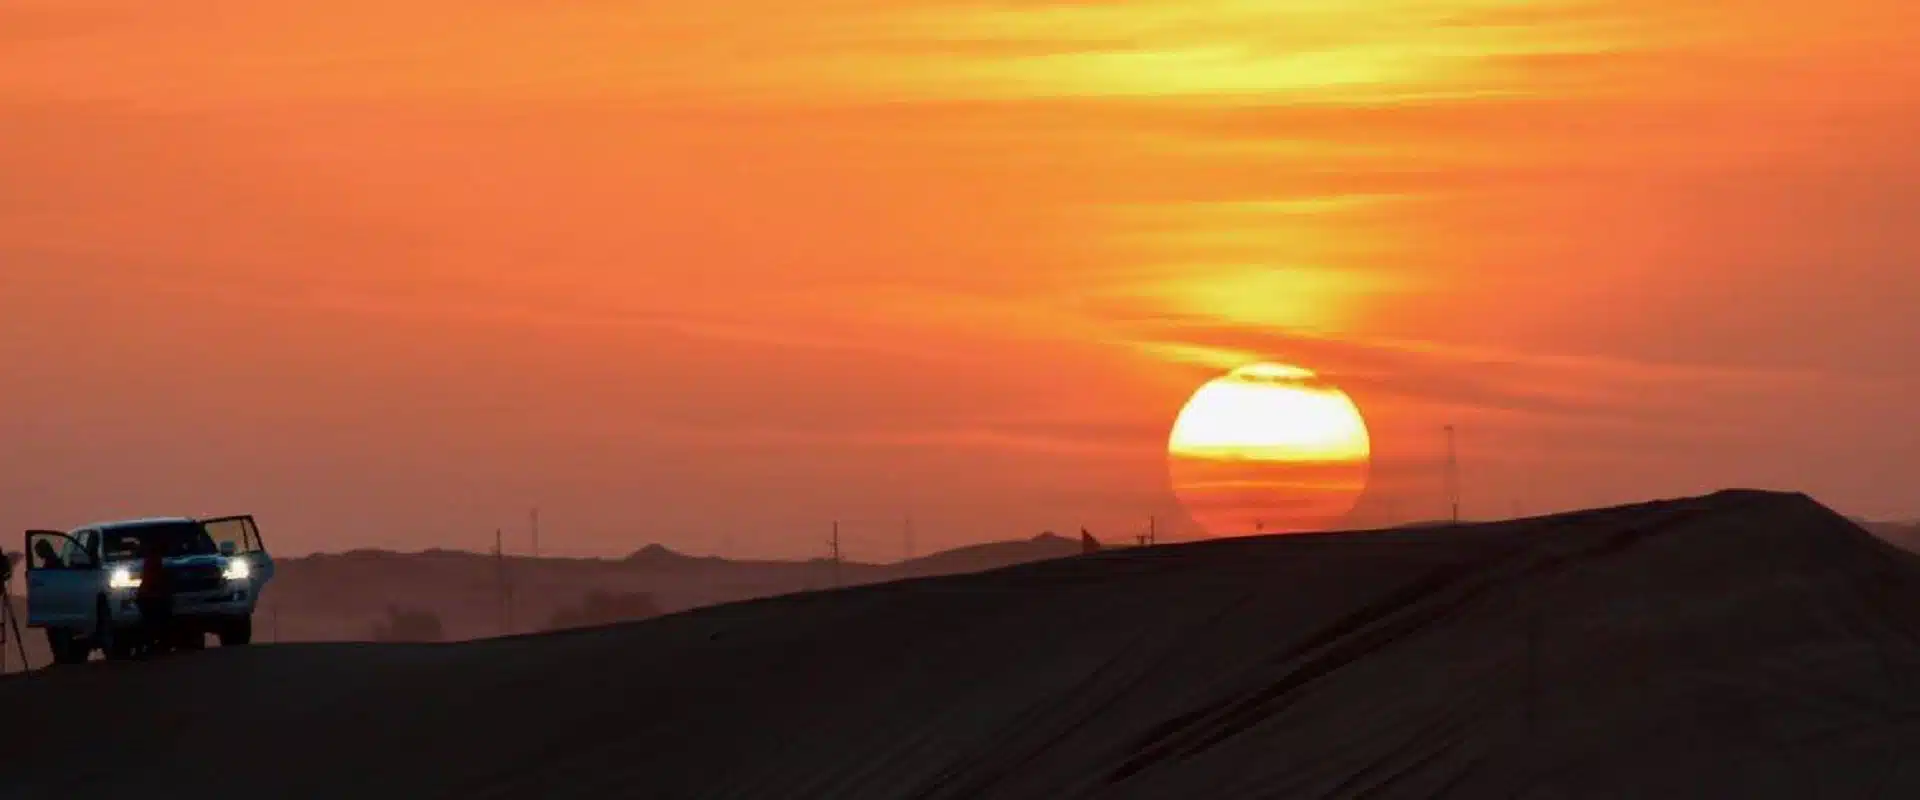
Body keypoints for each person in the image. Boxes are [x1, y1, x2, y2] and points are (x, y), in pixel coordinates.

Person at [135, 538, 174, 656]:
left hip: (150, 596)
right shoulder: (153, 562)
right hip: (151, 596)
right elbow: (154, 579)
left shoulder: (152, 561)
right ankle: (149, 646)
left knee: (151, 622)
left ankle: (150, 646)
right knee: (153, 622)